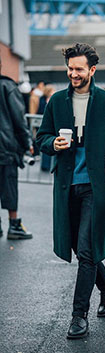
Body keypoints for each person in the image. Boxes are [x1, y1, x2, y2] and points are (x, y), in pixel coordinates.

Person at [36, 43, 105, 339]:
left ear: (92, 70)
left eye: (79, 69)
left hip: (97, 187)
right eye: (70, 68)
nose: (73, 73)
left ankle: (79, 316)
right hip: (66, 187)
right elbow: (42, 137)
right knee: (79, 247)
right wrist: (53, 143)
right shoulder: (56, 102)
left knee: (87, 250)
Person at [0, 57, 33, 239]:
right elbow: (19, 119)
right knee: (9, 185)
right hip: (5, 147)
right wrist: (27, 143)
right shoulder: (7, 86)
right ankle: (14, 225)